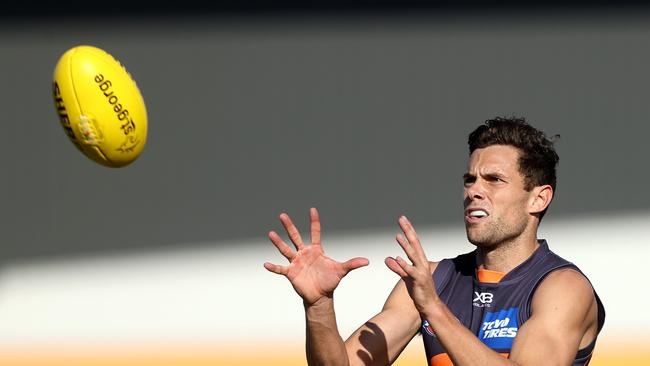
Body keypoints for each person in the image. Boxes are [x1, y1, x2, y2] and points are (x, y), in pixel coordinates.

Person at [263, 117, 605, 366]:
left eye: (494, 180)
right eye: (470, 179)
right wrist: (319, 306)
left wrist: (434, 310)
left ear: (538, 199)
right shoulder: (430, 282)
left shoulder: (562, 287)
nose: (474, 190)